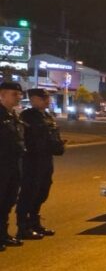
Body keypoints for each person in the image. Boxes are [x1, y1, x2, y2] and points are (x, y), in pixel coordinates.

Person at [16, 88, 64, 239]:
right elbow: (27, 139)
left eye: (47, 98)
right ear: (33, 99)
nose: (47, 100)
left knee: (42, 191)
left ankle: (34, 222)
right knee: (29, 192)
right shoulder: (27, 116)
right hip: (32, 160)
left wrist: (59, 146)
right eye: (43, 98)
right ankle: (23, 227)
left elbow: (53, 136)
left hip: (46, 159)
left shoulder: (47, 116)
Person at [0, 81, 26, 250]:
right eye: (14, 94)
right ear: (2, 95)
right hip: (2, 165)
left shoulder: (14, 115)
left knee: (8, 200)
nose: (19, 97)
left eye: (19, 94)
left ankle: (3, 234)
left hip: (13, 164)